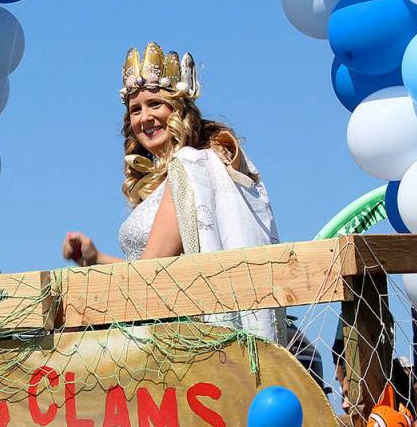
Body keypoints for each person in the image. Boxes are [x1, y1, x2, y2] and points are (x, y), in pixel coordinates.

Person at [61, 42, 284, 343]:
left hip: (178, 339)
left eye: (155, 104)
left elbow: (149, 274)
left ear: (179, 110)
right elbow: (147, 272)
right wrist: (95, 257)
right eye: (135, 110)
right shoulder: (175, 177)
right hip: (156, 328)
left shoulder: (190, 170)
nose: (144, 118)